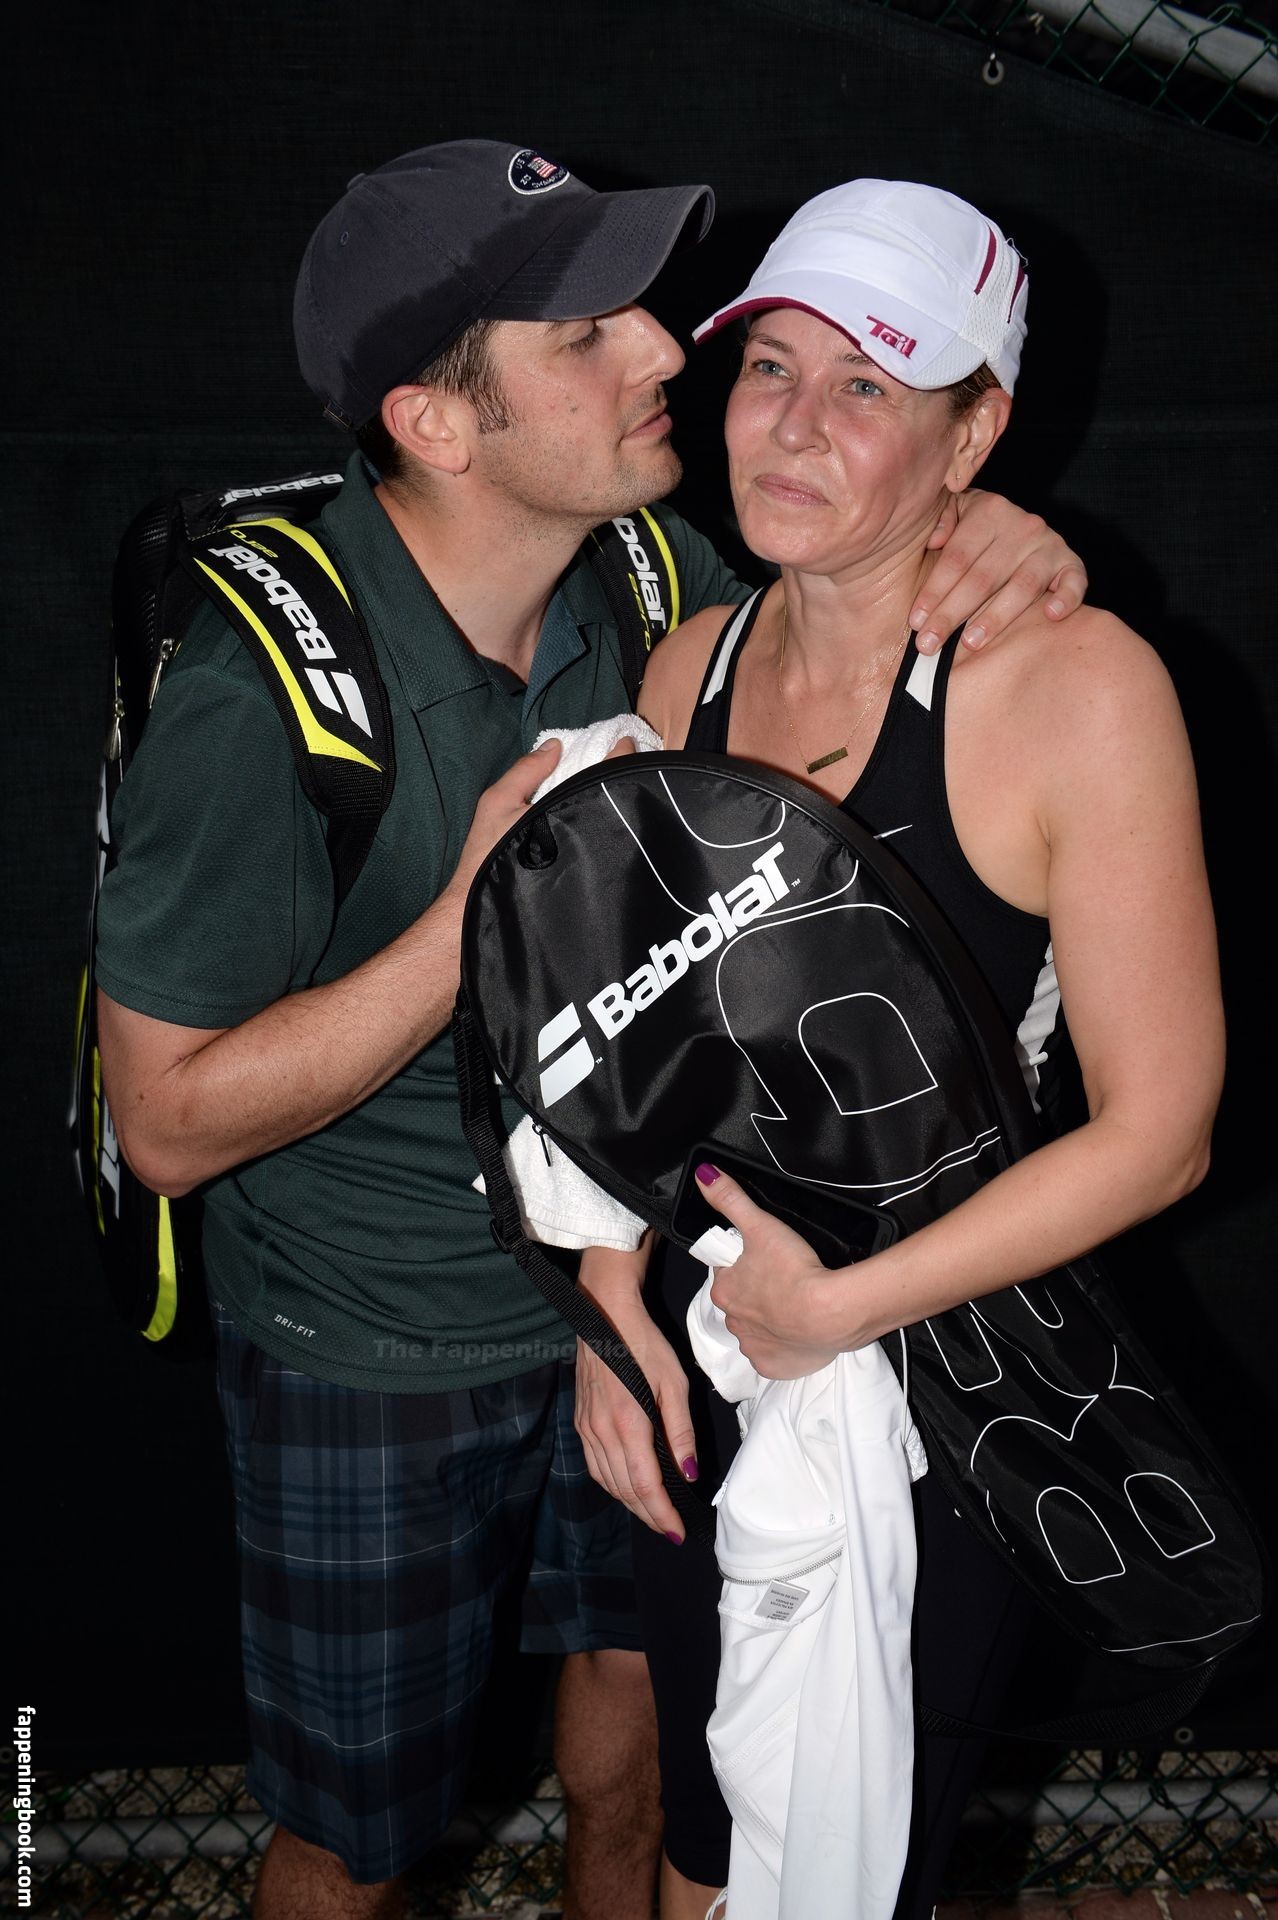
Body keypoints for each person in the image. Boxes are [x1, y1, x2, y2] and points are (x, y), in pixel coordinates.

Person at [93, 142, 1091, 1920]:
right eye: (584, 335)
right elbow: (162, 1127)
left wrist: (989, 528)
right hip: (373, 1349)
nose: (661, 351)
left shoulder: (651, 575)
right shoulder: (255, 698)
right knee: (359, 1842)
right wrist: (472, 916)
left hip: (644, 1313)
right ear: (436, 423)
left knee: (642, 1755)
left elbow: (860, 562)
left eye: (641, 308)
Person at [572, 179, 1225, 1918]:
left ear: (975, 432)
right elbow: (630, 1050)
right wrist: (608, 1301)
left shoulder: (1073, 689)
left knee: (861, 1875)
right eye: (769, 368)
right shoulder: (687, 669)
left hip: (941, 1386)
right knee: (705, 1850)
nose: (793, 426)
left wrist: (842, 1308)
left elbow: (1159, 1130)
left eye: (866, 385)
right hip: (707, 1362)